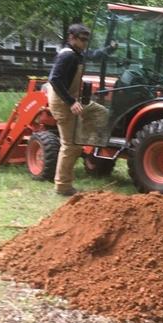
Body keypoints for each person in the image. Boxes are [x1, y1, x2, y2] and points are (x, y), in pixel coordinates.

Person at [47, 24, 116, 196]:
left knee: (101, 113)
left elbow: (94, 55)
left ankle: (85, 143)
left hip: (74, 101)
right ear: (71, 37)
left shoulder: (77, 54)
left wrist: (110, 48)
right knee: (70, 146)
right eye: (82, 39)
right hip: (63, 103)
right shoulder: (67, 56)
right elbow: (55, 79)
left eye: (87, 39)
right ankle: (62, 186)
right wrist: (70, 102)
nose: (85, 42)